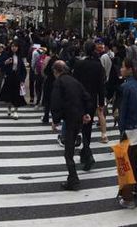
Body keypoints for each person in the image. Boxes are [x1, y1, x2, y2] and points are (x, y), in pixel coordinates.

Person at [48, 60, 92, 191]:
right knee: (71, 147)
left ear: (56, 71)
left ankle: (73, 179)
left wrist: (55, 120)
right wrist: (86, 113)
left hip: (70, 118)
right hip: (78, 117)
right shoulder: (74, 81)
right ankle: (73, 178)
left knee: (68, 152)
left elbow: (55, 101)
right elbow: (86, 97)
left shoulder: (59, 82)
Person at [115, 58, 137, 208]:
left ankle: (128, 198)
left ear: (129, 69)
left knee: (126, 165)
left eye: (122, 67)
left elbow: (123, 111)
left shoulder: (125, 87)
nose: (121, 70)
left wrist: (121, 129)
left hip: (130, 128)